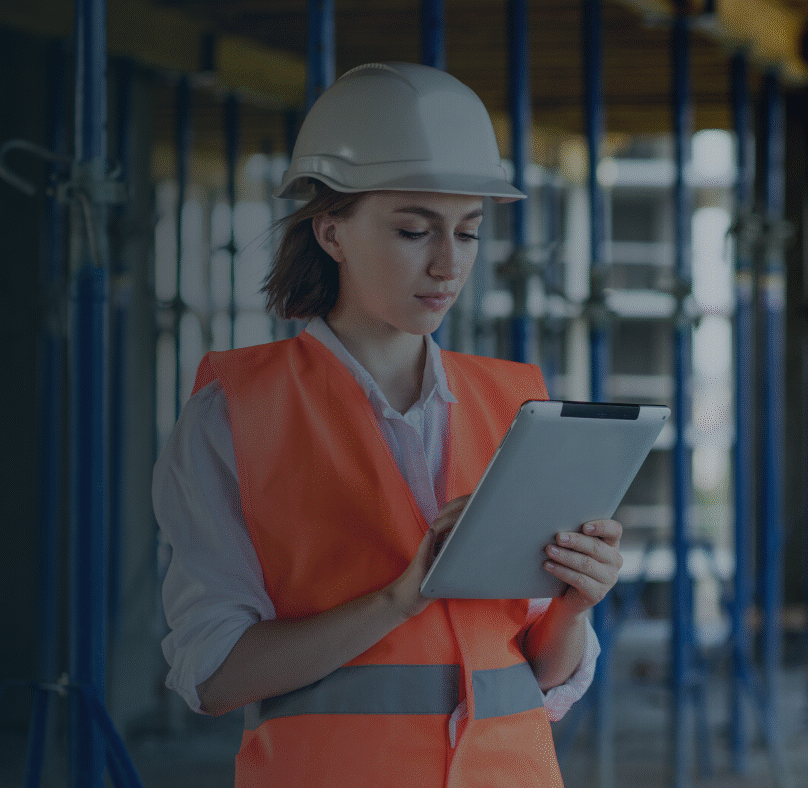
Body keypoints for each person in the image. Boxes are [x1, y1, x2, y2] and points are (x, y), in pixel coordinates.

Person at [153, 62, 623, 787]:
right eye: (413, 230)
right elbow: (214, 674)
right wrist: (397, 600)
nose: (447, 265)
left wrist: (576, 602)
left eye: (467, 234)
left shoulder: (519, 406)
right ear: (331, 231)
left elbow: (541, 675)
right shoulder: (233, 416)